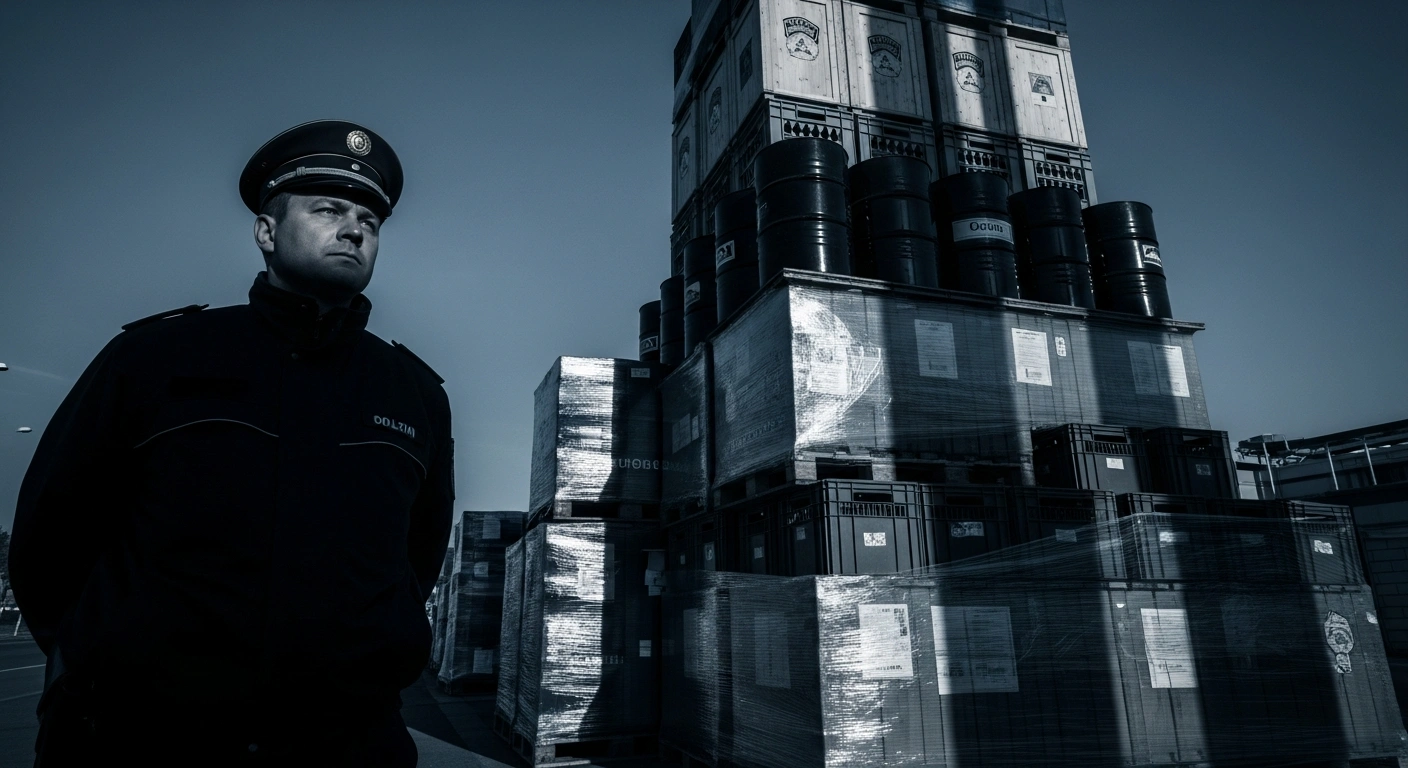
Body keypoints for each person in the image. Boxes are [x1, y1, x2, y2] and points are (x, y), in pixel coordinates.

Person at [9, 120, 454, 766]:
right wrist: (112, 664)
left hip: (347, 747)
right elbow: (51, 539)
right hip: (143, 742)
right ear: (266, 232)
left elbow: (417, 559)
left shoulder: (412, 395)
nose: (354, 228)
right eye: (327, 209)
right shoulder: (154, 359)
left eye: (369, 219)